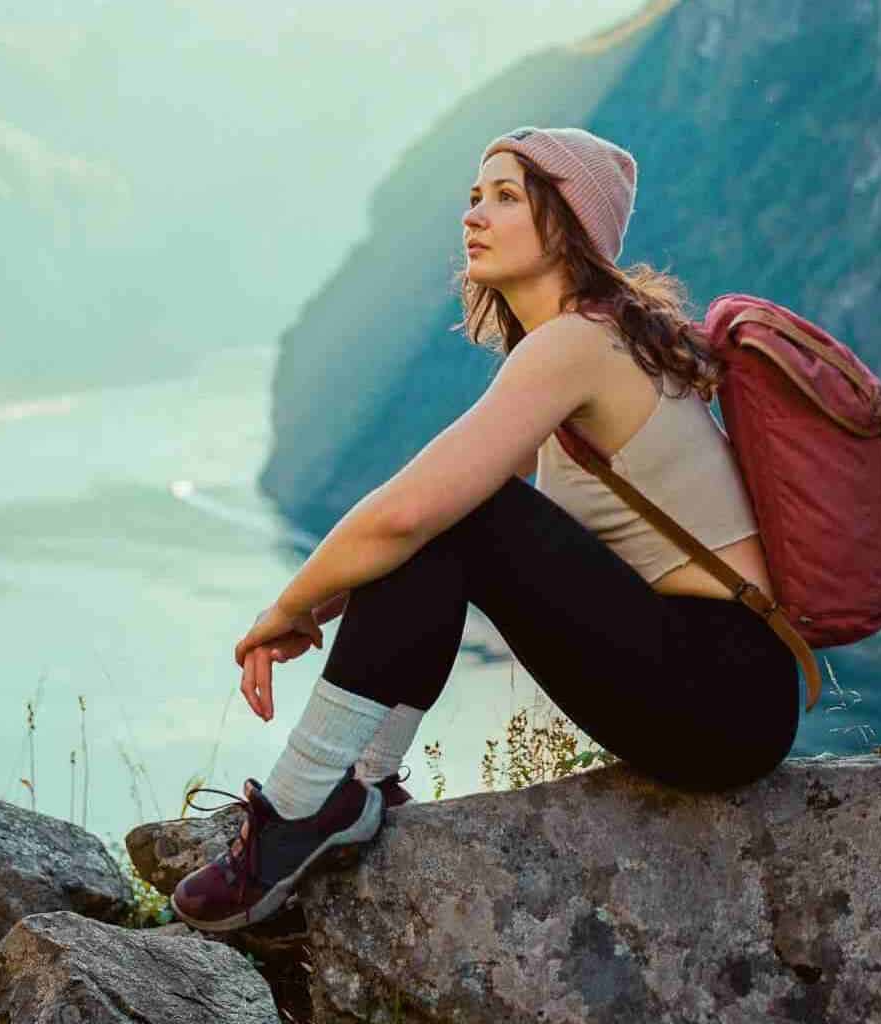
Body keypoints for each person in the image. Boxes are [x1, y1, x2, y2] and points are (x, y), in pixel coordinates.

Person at [173, 126, 800, 933]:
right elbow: (423, 532)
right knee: (453, 519)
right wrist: (332, 598)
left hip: (720, 691)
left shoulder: (577, 344)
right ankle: (357, 786)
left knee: (459, 513)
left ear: (569, 226)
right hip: (727, 690)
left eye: (508, 197)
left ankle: (303, 806)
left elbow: (409, 512)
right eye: (474, 196)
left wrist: (292, 606)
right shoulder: (598, 338)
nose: (475, 214)